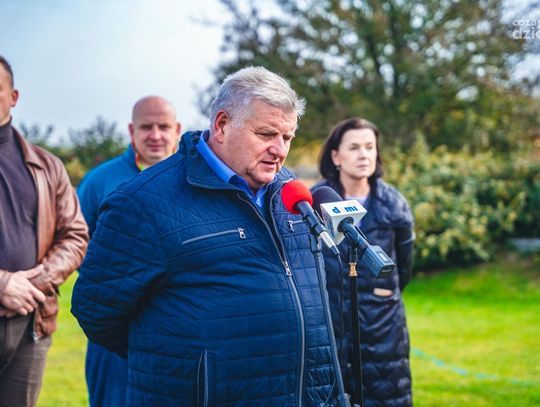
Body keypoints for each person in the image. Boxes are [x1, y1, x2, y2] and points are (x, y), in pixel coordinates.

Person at [71, 66, 340, 406]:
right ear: (222, 125)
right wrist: (183, 364)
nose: (279, 149)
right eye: (266, 134)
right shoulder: (142, 203)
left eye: (287, 138)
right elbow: (96, 309)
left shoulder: (290, 192)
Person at [77, 95, 182, 407]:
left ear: (177, 130)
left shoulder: (193, 180)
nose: (155, 135)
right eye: (146, 127)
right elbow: (76, 240)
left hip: (178, 326)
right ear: (131, 130)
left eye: (163, 127)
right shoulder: (99, 181)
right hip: (115, 328)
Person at [0, 55, 88, 406]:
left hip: (29, 325)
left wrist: (33, 283)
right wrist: (2, 284)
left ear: (13, 97)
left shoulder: (46, 166)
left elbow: (75, 234)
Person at [312, 117, 415, 406]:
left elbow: (404, 267)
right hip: (329, 325)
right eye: (354, 147)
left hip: (383, 327)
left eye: (370, 147)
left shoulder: (393, 204)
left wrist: (381, 295)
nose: (364, 155)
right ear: (336, 156)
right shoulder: (315, 201)